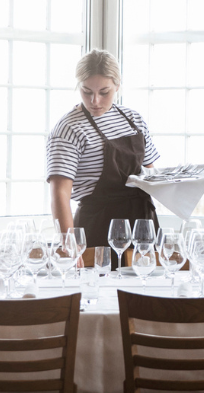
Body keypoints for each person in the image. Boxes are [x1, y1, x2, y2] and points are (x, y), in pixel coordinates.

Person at [45, 49, 160, 252]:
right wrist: (70, 245)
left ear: (117, 85)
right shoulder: (68, 129)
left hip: (143, 227)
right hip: (98, 228)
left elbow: (152, 175)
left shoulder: (134, 120)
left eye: (104, 92)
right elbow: (59, 194)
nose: (94, 101)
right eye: (86, 92)